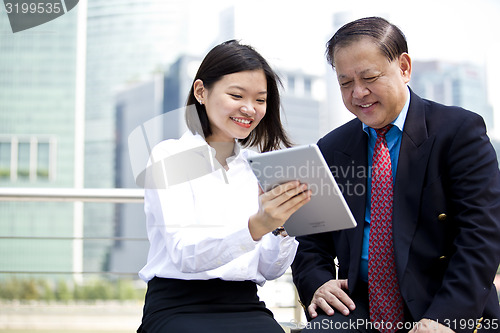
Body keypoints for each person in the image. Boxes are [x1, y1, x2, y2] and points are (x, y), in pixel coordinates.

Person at [291, 17, 500, 333]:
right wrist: (318, 283)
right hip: (357, 308)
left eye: (369, 77)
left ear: (404, 67)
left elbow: (481, 235)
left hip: (445, 303)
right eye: (345, 83)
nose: (358, 93)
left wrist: (446, 317)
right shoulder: (331, 147)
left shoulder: (458, 132)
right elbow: (309, 240)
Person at [137, 40, 312, 333]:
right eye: (236, 95)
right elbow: (184, 255)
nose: (250, 109)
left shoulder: (259, 167)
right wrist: (257, 226)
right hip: (178, 305)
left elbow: (270, 270)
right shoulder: (170, 156)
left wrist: (281, 227)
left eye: (260, 99)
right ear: (201, 92)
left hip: (246, 304)